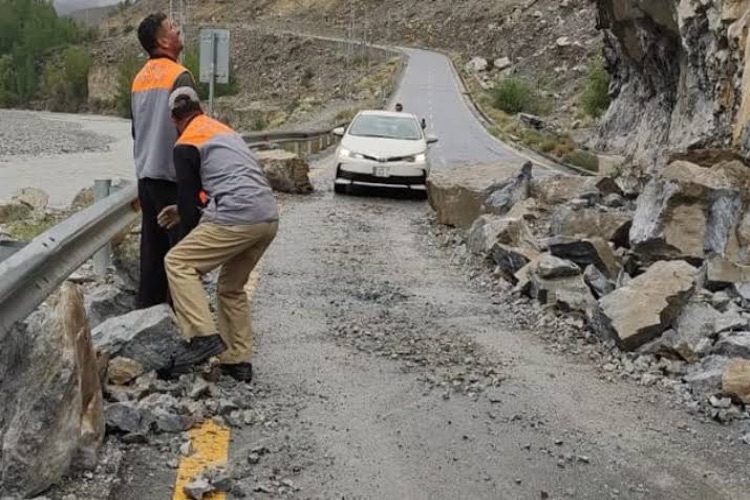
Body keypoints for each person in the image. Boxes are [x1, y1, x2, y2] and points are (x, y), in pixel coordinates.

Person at [158, 87, 279, 381]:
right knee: (230, 287)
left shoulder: (185, 143)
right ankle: (237, 361)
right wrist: (182, 209)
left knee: (179, 262)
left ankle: (202, 336)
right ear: (200, 109)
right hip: (267, 216)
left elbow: (190, 203)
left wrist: (185, 229)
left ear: (174, 120)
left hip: (236, 215)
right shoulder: (223, 131)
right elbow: (220, 183)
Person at [131, 12, 196, 309]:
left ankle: (144, 322)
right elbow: (192, 129)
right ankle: (185, 326)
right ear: (162, 41)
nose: (178, 29)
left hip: (145, 178)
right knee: (182, 259)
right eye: (172, 27)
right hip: (173, 179)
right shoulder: (179, 76)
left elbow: (135, 130)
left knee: (152, 259)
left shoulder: (139, 79)